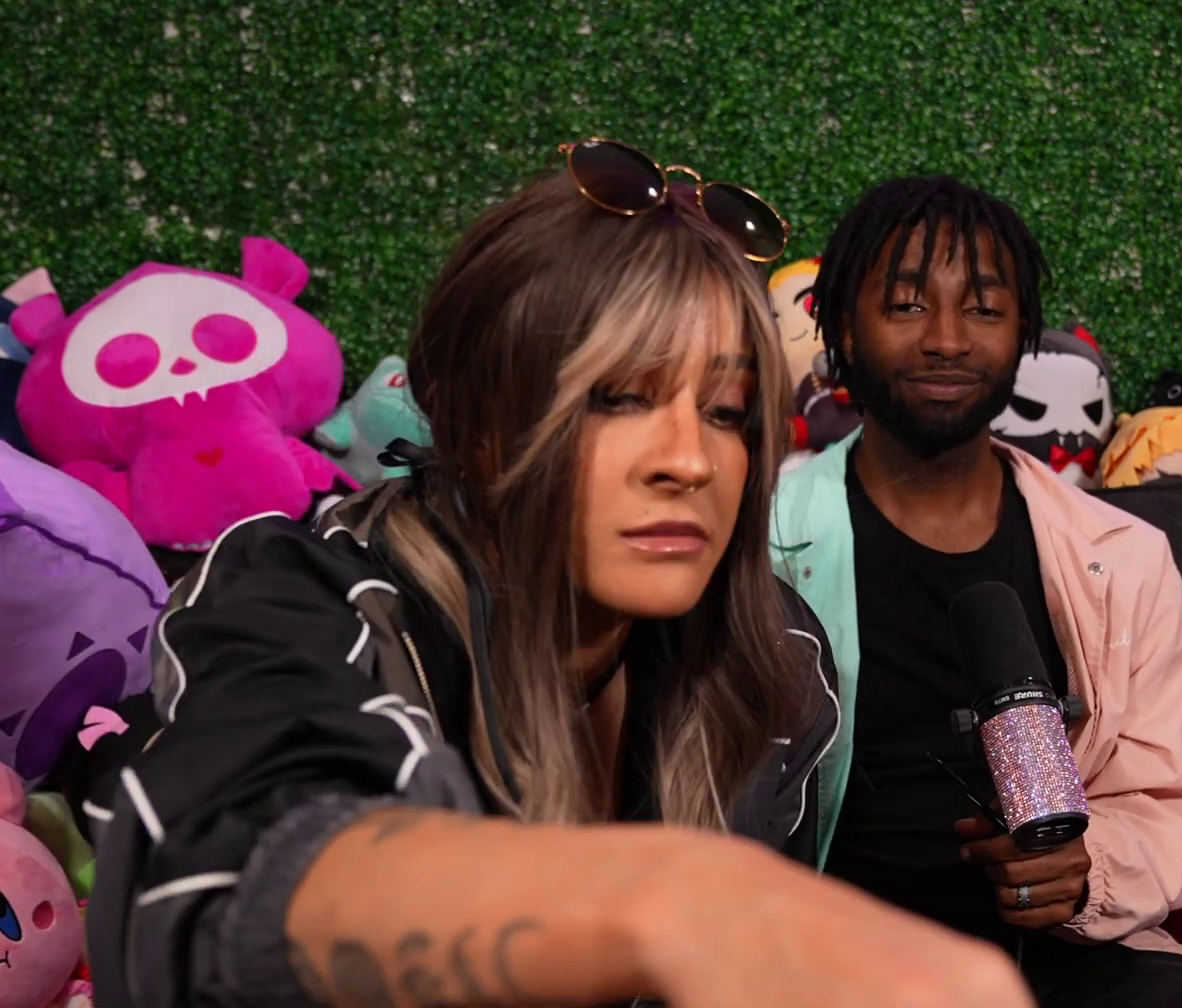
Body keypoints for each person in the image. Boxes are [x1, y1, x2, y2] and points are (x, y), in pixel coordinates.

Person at [85, 141, 1033, 1008]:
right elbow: (232, 881)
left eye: (726, 410)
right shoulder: (308, 597)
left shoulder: (777, 659)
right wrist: (680, 901)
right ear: (478, 421)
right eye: (618, 398)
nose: (689, 460)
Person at [771, 175, 1182, 1007]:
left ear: (1023, 335)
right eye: (907, 305)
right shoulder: (760, 539)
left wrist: (1086, 870)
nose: (947, 339)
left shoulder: (1124, 557)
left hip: (1058, 956)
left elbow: (1170, 803)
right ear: (841, 328)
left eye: (984, 308)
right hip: (823, 953)